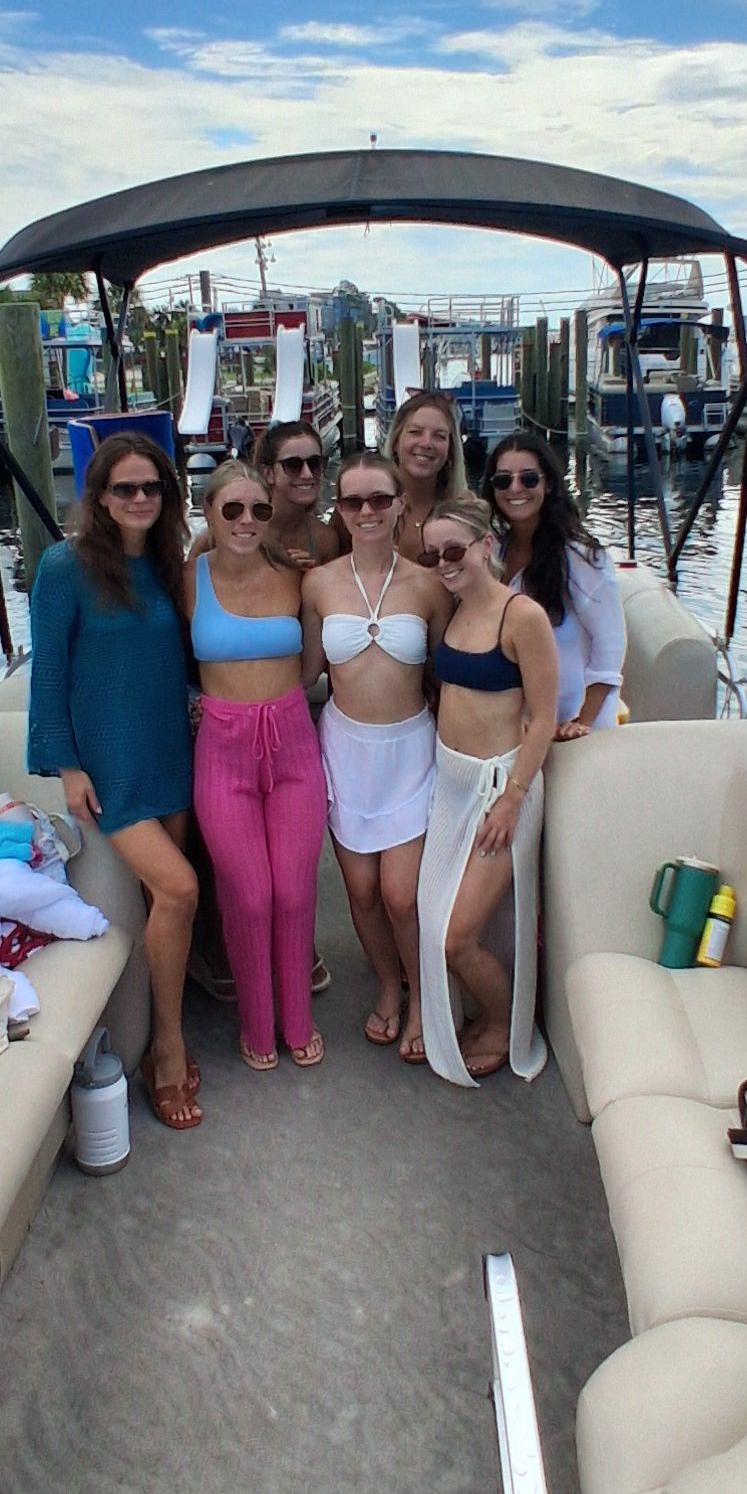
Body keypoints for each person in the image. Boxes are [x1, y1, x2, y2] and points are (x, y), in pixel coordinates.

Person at [27, 435, 201, 1130]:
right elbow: (48, 677)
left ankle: (172, 1015)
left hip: (171, 755)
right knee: (180, 889)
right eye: (125, 489)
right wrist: (67, 767)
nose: (138, 500)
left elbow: (188, 656)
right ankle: (167, 1047)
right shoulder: (64, 567)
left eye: (151, 489)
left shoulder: (168, 565)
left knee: (180, 897)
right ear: (99, 496)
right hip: (111, 768)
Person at [302, 452, 451, 1064]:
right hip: (344, 748)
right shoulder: (317, 582)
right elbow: (306, 671)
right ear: (339, 507)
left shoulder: (430, 584)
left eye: (379, 500)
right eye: (354, 500)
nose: (366, 511)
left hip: (410, 750)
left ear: (399, 506)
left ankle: (422, 1001)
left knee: (400, 894)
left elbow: (448, 673)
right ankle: (389, 985)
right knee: (360, 890)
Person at [186, 462, 327, 1072]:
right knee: (248, 892)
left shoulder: (299, 578)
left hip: (293, 741)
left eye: (258, 509)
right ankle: (257, 1023)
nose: (246, 520)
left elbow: (314, 664)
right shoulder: (187, 577)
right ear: (210, 513)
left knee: (294, 890)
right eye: (232, 509)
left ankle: (298, 1020)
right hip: (222, 746)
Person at [418, 496, 558, 1087]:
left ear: (485, 545)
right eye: (433, 554)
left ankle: (503, 1023)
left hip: (499, 787)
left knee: (456, 935)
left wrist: (514, 797)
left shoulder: (520, 616)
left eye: (455, 550)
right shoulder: (450, 609)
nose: (445, 563)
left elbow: (545, 715)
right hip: (449, 783)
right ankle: (480, 1012)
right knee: (433, 915)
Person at [483, 433, 626, 735]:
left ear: (548, 484)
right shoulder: (494, 552)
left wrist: (582, 721)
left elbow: (609, 648)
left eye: (529, 479)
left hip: (571, 727)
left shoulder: (582, 557)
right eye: (503, 480)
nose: (516, 488)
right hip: (516, 726)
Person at [370, 391, 469, 566]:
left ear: (450, 449)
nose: (426, 443)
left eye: (439, 436)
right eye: (415, 432)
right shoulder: (362, 505)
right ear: (395, 441)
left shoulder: (465, 511)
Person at [254, 421, 341, 570]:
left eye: (315, 463)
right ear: (268, 474)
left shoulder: (325, 540)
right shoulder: (238, 528)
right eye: (292, 465)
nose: (307, 474)